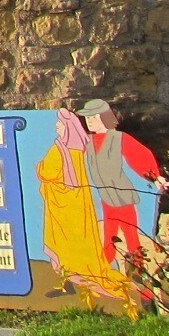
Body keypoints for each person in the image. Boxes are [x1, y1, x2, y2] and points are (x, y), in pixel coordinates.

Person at [35, 108, 130, 300]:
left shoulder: (61, 149)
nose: (57, 126)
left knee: (63, 243)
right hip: (72, 203)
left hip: (66, 207)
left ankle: (69, 281)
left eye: (60, 124)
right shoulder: (75, 148)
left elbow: (47, 172)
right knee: (67, 243)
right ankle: (67, 282)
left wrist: (40, 168)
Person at [79, 98, 168, 266]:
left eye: (93, 117)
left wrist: (156, 177)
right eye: (87, 118)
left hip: (124, 198)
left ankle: (142, 283)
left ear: (104, 117)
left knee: (132, 240)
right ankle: (107, 278)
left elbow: (141, 156)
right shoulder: (88, 143)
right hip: (105, 199)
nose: (89, 122)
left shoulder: (119, 138)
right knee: (108, 240)